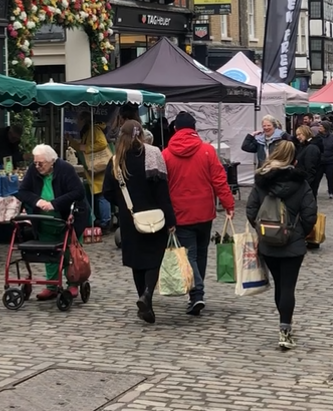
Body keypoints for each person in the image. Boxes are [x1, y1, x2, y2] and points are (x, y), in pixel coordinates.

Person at [101, 120, 175, 324]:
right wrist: (171, 219)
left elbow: (107, 191)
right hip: (154, 215)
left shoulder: (116, 160)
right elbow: (162, 191)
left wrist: (123, 206)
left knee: (137, 261)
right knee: (154, 258)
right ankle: (148, 294)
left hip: (130, 218)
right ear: (142, 134)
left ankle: (145, 302)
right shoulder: (153, 155)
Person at [246, 140, 316, 350]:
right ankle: (285, 328)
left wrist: (263, 230)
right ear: (293, 158)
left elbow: (251, 211)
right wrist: (299, 232)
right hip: (293, 243)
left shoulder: (261, 181)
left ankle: (283, 324)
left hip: (268, 243)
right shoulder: (301, 183)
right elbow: (310, 215)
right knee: (288, 287)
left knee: (279, 284)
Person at [162, 111, 235, 315]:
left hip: (180, 213)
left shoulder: (166, 154)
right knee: (200, 253)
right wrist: (229, 204)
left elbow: (162, 187)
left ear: (175, 129)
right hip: (204, 212)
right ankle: (197, 295)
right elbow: (219, 179)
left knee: (190, 255)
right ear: (195, 129)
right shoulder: (207, 151)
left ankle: (197, 294)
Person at [15, 144, 89, 299]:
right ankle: (52, 285)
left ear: (52, 161)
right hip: (45, 219)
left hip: (68, 217)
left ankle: (73, 283)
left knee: (70, 251)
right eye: (35, 163)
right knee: (50, 254)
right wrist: (38, 201)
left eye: (41, 163)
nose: (37, 166)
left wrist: (54, 204)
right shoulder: (34, 170)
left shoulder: (65, 169)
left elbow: (78, 192)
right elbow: (22, 191)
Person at [74, 111, 113, 231]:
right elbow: (81, 147)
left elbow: (102, 143)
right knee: (98, 196)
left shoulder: (93, 130)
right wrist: (71, 141)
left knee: (102, 196)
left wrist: (88, 148)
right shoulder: (88, 131)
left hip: (99, 169)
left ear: (84, 120)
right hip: (95, 170)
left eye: (79, 120)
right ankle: (103, 220)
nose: (77, 123)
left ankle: (106, 222)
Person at [315, 121, 333, 199]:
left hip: (330, 160)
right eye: (319, 126)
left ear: (325, 128)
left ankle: (331, 191)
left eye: (321, 126)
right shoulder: (317, 137)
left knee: (330, 177)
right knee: (317, 177)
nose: (319, 127)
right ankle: (314, 191)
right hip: (320, 161)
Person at [292, 125, 322, 190]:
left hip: (307, 184)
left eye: (299, 134)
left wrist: (306, 185)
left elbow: (310, 169)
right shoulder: (303, 146)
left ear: (306, 133)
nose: (297, 137)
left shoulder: (311, 147)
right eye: (297, 135)